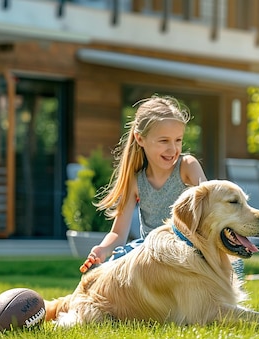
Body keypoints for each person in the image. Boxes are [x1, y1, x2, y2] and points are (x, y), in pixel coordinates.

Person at [80, 95, 207, 273]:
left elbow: (211, 206)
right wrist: (101, 250)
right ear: (140, 139)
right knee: (118, 261)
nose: (173, 149)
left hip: (186, 248)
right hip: (153, 253)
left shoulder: (187, 167)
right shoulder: (136, 180)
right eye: (164, 141)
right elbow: (118, 234)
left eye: (178, 140)